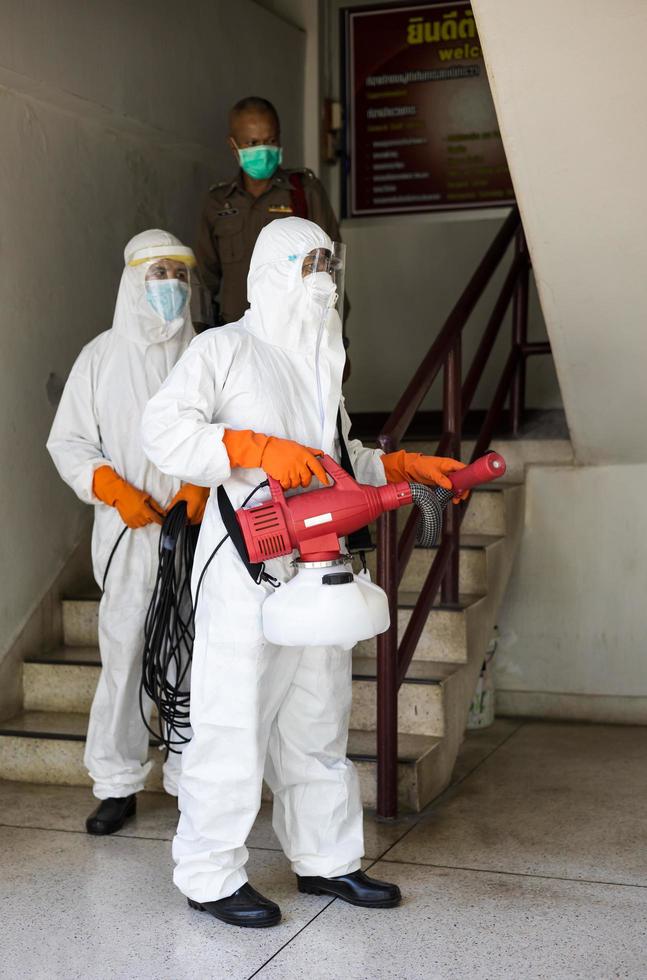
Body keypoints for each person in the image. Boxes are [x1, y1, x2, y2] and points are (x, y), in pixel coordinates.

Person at [141, 217, 465, 928]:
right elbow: (163, 431)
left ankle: (326, 861)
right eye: (308, 262)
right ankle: (209, 876)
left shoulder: (321, 359)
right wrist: (252, 446)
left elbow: (337, 459)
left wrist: (405, 467)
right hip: (242, 569)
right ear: (272, 272)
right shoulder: (224, 348)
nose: (321, 277)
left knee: (316, 720)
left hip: (314, 570)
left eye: (328, 262)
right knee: (232, 720)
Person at [47, 230, 210, 836]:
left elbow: (232, 433)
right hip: (129, 532)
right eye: (159, 273)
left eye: (180, 274)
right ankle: (116, 783)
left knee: (195, 651)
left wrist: (201, 488)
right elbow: (68, 442)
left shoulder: (209, 354)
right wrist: (113, 489)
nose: (171, 285)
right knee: (126, 653)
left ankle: (190, 775)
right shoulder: (99, 359)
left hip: (195, 531)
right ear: (133, 282)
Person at [196, 96, 342, 327]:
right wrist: (203, 334)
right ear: (233, 146)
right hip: (235, 332)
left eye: (270, 140)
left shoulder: (304, 192)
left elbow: (333, 266)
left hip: (294, 331)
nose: (263, 151)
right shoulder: (219, 202)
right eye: (252, 143)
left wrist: (335, 337)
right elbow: (203, 279)